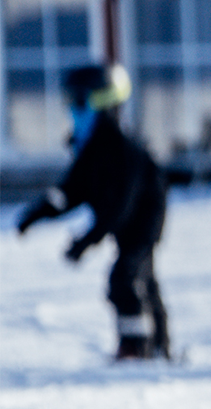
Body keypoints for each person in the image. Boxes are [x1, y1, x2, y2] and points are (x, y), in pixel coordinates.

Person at [15, 63, 171, 362]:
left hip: (143, 222)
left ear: (101, 102)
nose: (73, 111)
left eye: (78, 102)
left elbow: (120, 208)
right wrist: (35, 215)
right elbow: (69, 192)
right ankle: (160, 346)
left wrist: (87, 240)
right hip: (120, 222)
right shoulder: (90, 152)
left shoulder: (125, 151)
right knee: (142, 279)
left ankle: (137, 349)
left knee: (126, 278)